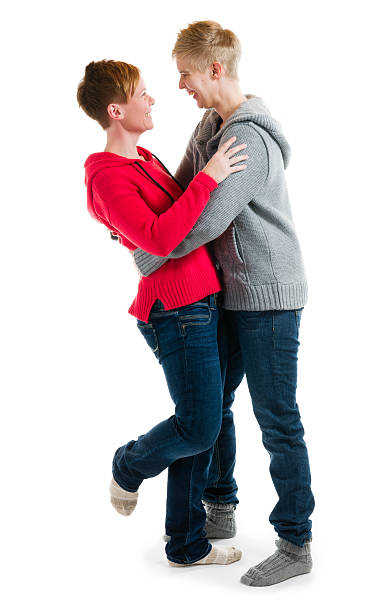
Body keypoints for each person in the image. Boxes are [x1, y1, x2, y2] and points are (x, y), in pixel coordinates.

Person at [132, 21, 315, 587]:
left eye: (185, 74)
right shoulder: (210, 126)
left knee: (277, 418)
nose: (180, 85)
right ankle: (220, 506)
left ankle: (295, 540)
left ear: (214, 69)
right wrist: (138, 221)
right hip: (228, 292)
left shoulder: (248, 141)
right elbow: (181, 191)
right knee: (217, 404)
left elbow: (202, 219)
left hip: (269, 296)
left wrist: (147, 249)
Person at [76, 59, 249, 567]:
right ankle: (129, 465)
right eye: (143, 94)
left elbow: (173, 218)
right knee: (198, 426)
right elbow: (160, 238)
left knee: (205, 419)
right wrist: (211, 176)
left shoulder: (143, 159)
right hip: (175, 311)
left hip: (203, 301)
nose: (152, 100)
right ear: (116, 109)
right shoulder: (105, 176)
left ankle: (187, 542)